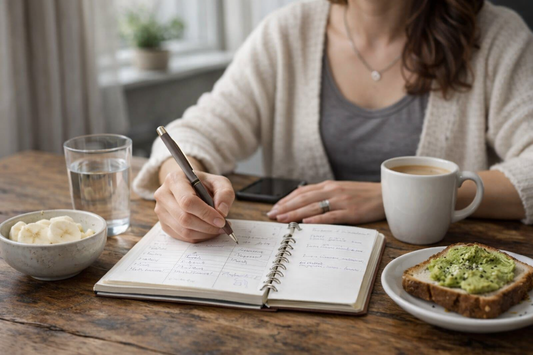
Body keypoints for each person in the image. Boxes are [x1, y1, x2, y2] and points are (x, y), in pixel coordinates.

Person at [133, 0, 533, 243]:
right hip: (305, 278)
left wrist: (396, 195)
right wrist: (179, 184)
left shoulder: (497, 37)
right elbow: (195, 132)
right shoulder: (287, 32)